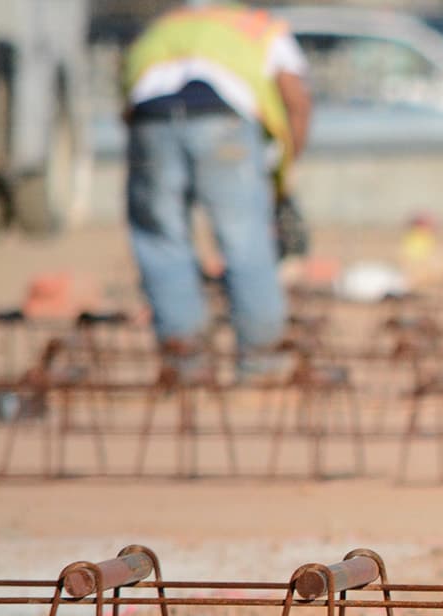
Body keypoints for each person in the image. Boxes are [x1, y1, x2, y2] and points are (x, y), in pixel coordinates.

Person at [122, 1, 312, 380]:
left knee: (161, 239)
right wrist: (287, 164)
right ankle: (263, 359)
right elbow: (295, 97)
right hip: (222, 119)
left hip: (150, 120)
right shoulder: (260, 27)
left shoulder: (164, 26)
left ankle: (185, 362)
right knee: (245, 238)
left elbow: (126, 97)